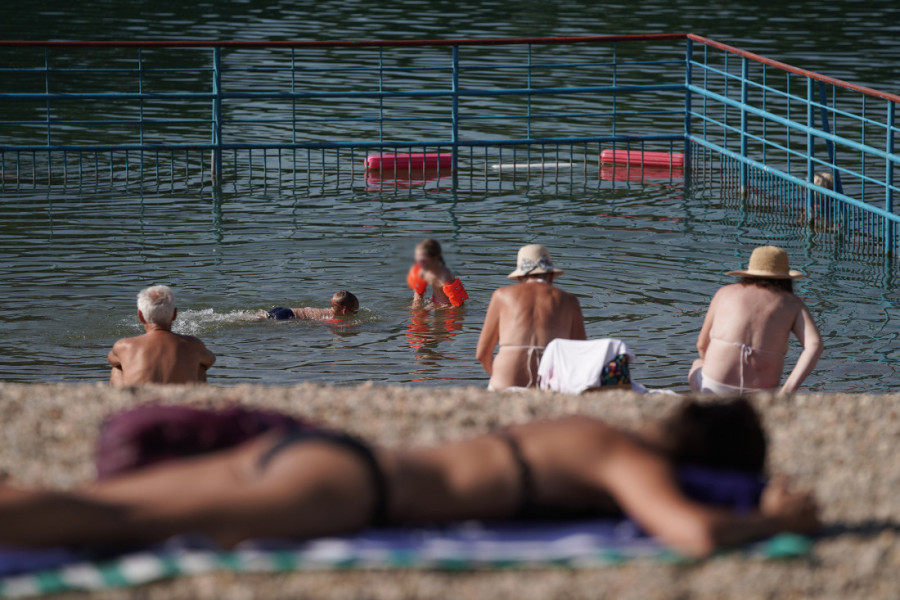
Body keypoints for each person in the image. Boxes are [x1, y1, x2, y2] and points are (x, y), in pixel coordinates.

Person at [0, 398, 819, 557]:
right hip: (350, 491)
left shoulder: (586, 428)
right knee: (109, 526)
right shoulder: (625, 460)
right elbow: (691, 533)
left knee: (94, 506)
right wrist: (777, 522)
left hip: (316, 450)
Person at [689, 246, 823, 395]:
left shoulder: (725, 292)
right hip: (763, 391)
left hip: (717, 386)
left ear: (750, 273)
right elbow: (815, 344)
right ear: (787, 278)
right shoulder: (793, 303)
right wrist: (787, 392)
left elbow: (702, 345)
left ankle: (705, 401)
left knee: (698, 364)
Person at [476, 244, 586, 390]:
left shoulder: (501, 295)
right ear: (551, 276)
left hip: (507, 380)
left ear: (519, 278)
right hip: (551, 383)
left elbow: (482, 354)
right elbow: (580, 353)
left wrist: (497, 376)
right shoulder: (569, 300)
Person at [107, 286, 216, 386]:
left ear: (140, 316)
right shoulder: (193, 344)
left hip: (140, 400)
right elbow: (211, 360)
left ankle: (118, 399)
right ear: (174, 314)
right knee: (200, 366)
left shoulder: (124, 346)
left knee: (117, 368)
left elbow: (111, 359)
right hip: (179, 398)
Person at [407, 239, 468, 307]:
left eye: (422, 261)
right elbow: (419, 292)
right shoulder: (423, 272)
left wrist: (447, 309)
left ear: (434, 259)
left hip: (448, 305)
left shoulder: (445, 276)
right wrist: (416, 304)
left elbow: (458, 303)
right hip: (434, 301)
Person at [263, 290, 359, 321]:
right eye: (355, 312)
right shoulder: (332, 318)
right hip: (287, 316)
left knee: (260, 318)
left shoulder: (327, 311)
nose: (355, 314)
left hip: (284, 310)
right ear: (344, 311)